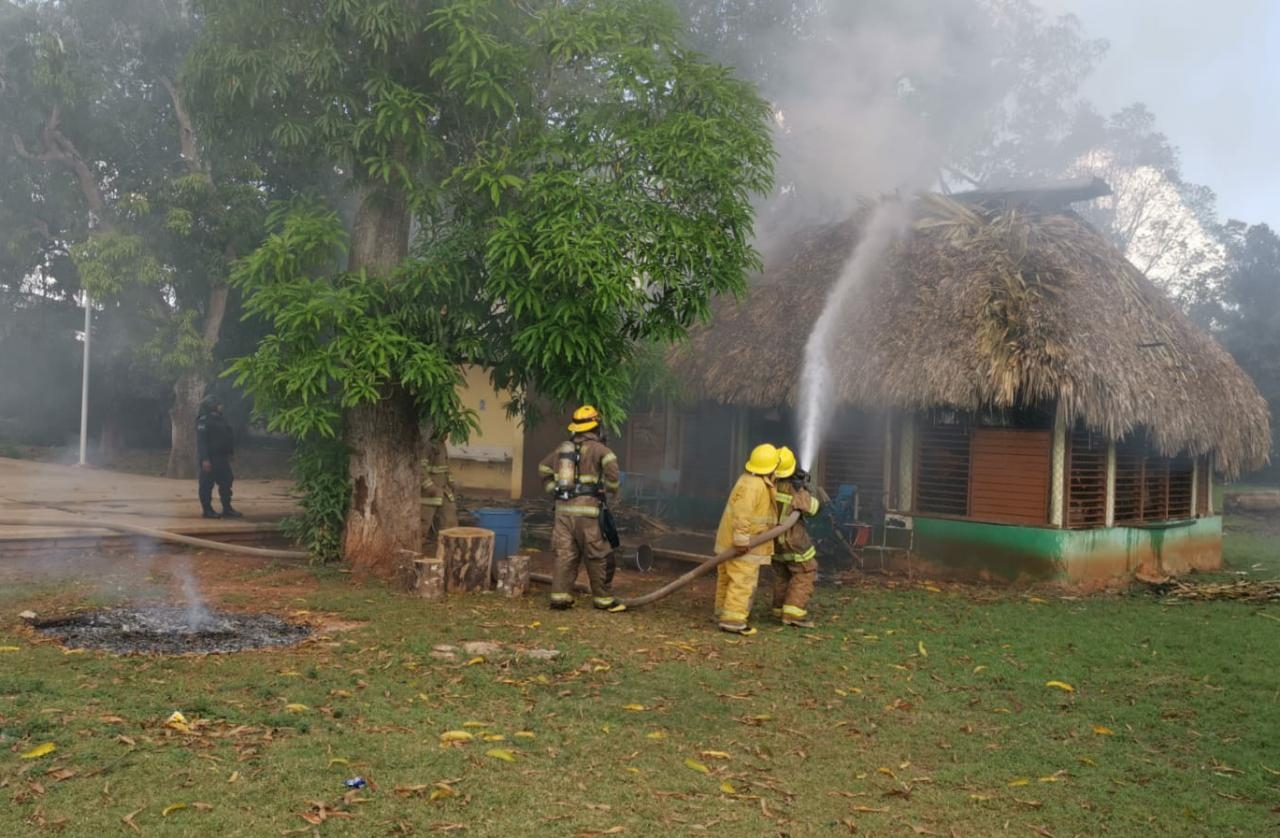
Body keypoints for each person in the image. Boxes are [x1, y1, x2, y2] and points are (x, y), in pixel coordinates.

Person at [538, 405, 625, 612]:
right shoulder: (601, 450)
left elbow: (542, 468)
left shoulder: (562, 449)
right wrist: (611, 491)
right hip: (588, 514)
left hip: (562, 513)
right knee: (598, 554)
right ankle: (603, 600)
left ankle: (560, 598)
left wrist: (554, 490)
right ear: (596, 427)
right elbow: (613, 476)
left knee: (565, 555)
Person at [713, 443, 780, 636]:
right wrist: (742, 541)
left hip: (727, 543)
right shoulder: (755, 486)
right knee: (742, 582)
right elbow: (742, 515)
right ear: (770, 467)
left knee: (726, 579)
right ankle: (734, 621)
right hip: (743, 547)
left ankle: (722, 614)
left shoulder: (747, 480)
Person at [771, 447, 821, 628]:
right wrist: (805, 490)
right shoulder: (795, 489)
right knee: (804, 573)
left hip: (773, 543)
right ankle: (793, 614)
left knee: (782, 576)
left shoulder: (769, 485)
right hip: (794, 542)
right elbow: (812, 509)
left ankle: (779, 610)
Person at [196, 395, 242, 519]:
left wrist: (230, 453)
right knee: (206, 485)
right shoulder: (204, 421)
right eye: (219, 404)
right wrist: (205, 459)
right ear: (213, 406)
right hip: (210, 458)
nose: (222, 406)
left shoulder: (222, 419)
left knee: (227, 482)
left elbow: (228, 437)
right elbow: (202, 442)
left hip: (222, 458)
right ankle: (207, 510)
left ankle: (227, 508)